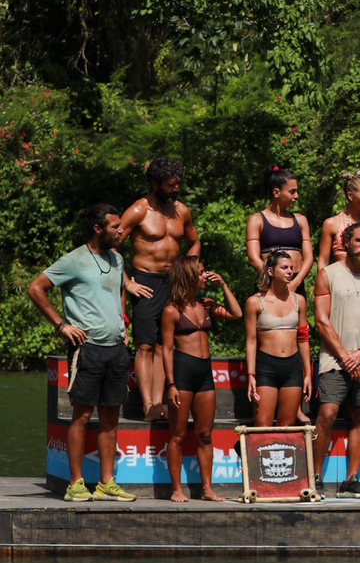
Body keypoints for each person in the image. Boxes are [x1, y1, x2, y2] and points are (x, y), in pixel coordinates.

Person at [27, 204, 137, 502]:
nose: (121, 230)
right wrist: (61, 324)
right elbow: (36, 288)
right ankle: (76, 483)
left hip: (116, 348)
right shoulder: (74, 260)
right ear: (98, 229)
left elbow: (118, 292)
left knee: (111, 418)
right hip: (86, 348)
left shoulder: (117, 258)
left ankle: (106, 483)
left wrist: (122, 323)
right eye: (115, 226)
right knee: (82, 415)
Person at [312, 221, 360, 499]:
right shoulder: (327, 274)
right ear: (346, 242)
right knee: (328, 414)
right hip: (334, 358)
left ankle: (352, 480)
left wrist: (359, 355)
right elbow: (321, 321)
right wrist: (346, 356)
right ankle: (315, 477)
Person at [120, 159, 200, 421]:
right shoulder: (138, 211)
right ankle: (149, 404)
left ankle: (159, 404)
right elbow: (110, 246)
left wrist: (189, 272)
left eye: (178, 184)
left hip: (173, 281)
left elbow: (194, 242)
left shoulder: (181, 211)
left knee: (164, 344)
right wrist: (127, 282)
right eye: (170, 185)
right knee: (144, 345)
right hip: (145, 280)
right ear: (155, 184)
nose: (176, 189)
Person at [160, 259, 241, 502]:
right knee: (178, 434)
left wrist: (224, 285)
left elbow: (236, 313)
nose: (206, 275)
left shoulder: (206, 305)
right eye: (201, 272)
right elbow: (166, 350)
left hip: (205, 373)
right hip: (183, 372)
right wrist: (171, 385)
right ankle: (177, 490)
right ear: (188, 276)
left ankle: (207, 489)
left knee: (205, 434)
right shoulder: (171, 310)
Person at [245, 248, 312, 427]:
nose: (290, 271)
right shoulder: (255, 302)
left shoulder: (299, 300)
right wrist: (251, 374)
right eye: (284, 268)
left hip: (292, 367)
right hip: (267, 366)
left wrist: (308, 373)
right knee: (262, 426)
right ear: (270, 271)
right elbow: (251, 341)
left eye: (291, 268)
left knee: (287, 427)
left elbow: (304, 337)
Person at [246, 166, 314, 290]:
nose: (297, 196)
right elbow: (253, 258)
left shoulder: (300, 220)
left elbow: (309, 258)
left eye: (297, 191)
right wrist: (273, 281)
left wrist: (295, 283)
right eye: (292, 192)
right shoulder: (256, 220)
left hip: (296, 285)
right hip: (267, 284)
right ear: (276, 192)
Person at [317, 170, 360, 268]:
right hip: (340, 280)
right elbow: (323, 261)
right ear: (350, 195)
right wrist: (321, 282)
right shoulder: (331, 224)